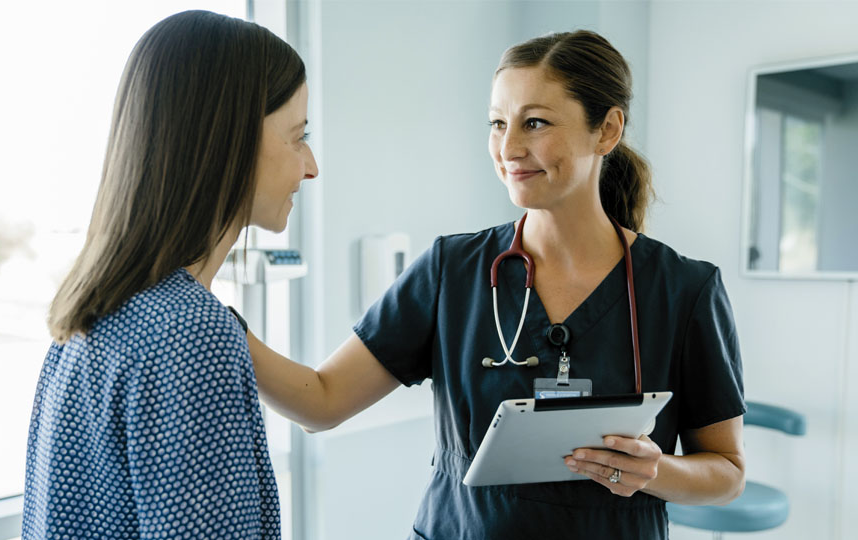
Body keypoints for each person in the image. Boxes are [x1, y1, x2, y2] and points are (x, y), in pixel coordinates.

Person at [247, 30, 745, 539]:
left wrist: (655, 470)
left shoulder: (684, 288)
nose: (508, 148)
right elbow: (322, 402)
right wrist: (218, 318)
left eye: (535, 123)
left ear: (607, 131)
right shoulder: (452, 269)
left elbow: (726, 473)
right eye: (497, 123)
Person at [21, 11, 318, 540]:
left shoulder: (91, 319)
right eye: (298, 137)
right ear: (229, 141)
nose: (311, 165)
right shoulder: (192, 335)